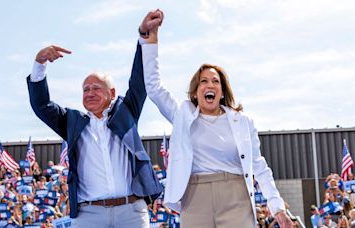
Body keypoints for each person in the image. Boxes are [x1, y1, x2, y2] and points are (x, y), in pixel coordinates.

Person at [139, 9, 293, 227]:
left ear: (222, 91)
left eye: (215, 81)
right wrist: (150, 40)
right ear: (195, 91)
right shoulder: (182, 114)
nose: (209, 85)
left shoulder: (242, 122)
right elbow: (153, 87)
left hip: (236, 197)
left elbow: (259, 166)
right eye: (203, 81)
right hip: (195, 197)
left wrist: (277, 207)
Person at [26, 17, 163, 227]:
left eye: (96, 88)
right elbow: (41, 105)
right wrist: (39, 63)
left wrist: (144, 36)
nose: (90, 92)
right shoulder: (72, 122)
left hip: (131, 212)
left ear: (112, 93)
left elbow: (139, 78)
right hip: (89, 214)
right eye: (85, 89)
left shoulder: (126, 113)